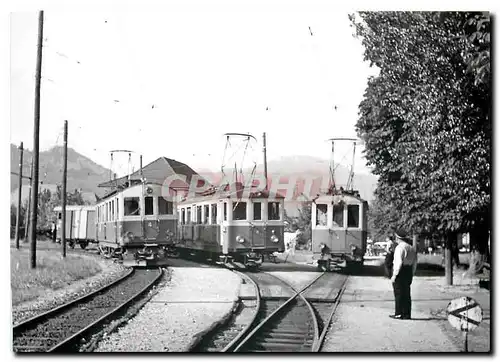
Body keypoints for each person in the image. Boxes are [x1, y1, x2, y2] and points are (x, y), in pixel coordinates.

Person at [390, 229, 417, 320]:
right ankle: (407, 314)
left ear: (398, 238)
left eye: (396, 237)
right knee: (407, 293)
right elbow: (415, 263)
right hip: (408, 271)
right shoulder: (411, 248)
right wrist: (412, 273)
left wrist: (394, 275)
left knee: (398, 293)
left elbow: (398, 263)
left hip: (401, 272)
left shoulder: (399, 248)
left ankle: (398, 313)